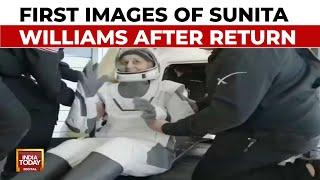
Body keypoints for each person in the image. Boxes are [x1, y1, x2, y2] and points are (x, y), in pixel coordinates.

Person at [13, 48, 196, 180]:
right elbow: (78, 127)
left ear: (151, 64)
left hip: (155, 149)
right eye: (124, 62)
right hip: (107, 142)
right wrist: (84, 94)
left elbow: (188, 128)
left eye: (136, 61)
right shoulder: (106, 89)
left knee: (119, 145)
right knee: (70, 146)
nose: (129, 65)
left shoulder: (168, 89)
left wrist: (158, 115)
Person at [137, 48, 320, 180]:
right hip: (267, 121)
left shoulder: (245, 52)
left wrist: (168, 128)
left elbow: (229, 113)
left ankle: (308, 171)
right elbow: (236, 91)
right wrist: (199, 107)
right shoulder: (240, 49)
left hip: (279, 130)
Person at [0, 48, 80, 179]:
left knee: (45, 108)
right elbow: (47, 76)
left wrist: (78, 75)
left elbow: (46, 60)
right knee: (16, 121)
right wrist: (79, 101)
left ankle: (21, 173)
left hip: (7, 71)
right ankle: (20, 173)